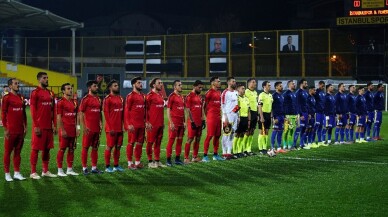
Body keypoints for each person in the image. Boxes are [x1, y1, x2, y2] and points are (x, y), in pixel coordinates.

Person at [29, 72, 57, 179]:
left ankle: (45, 171)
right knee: (35, 149)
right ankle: (33, 172)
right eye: (44, 78)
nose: (47, 79)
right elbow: (32, 110)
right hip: (39, 126)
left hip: (48, 127)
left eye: (47, 78)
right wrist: (36, 125)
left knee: (47, 149)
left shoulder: (51, 93)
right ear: (39, 80)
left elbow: (53, 110)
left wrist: (54, 124)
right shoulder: (35, 93)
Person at [2, 78, 27, 181]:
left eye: (18, 83)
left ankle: (16, 173)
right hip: (11, 130)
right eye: (16, 84)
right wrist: (5, 128)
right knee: (8, 152)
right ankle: (7, 174)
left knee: (17, 152)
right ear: (10, 86)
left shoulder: (21, 97)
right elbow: (3, 114)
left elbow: (24, 113)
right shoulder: (6, 98)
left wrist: (25, 126)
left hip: (20, 130)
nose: (18, 85)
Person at [79, 80, 104, 175]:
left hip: (96, 128)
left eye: (97, 86)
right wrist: (84, 126)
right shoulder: (85, 99)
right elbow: (81, 113)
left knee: (95, 148)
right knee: (85, 148)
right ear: (89, 88)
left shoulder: (98, 99)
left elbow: (99, 112)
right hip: (88, 129)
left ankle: (94, 168)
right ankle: (84, 168)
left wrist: (101, 122)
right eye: (95, 86)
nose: (97, 87)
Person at [56, 83, 80, 177]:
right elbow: (59, 117)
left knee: (71, 149)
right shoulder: (60, 102)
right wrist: (62, 130)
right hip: (65, 130)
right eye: (68, 89)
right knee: (62, 149)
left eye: (71, 88)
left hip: (73, 130)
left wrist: (78, 128)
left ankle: (69, 169)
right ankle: (59, 170)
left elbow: (77, 116)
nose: (70, 90)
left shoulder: (74, 102)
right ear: (63, 91)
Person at [103, 80, 124, 172]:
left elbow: (123, 113)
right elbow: (106, 114)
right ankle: (107, 167)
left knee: (118, 146)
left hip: (120, 127)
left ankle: (116, 165)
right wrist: (110, 127)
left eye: (117, 85)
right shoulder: (107, 99)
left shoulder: (120, 98)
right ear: (110, 88)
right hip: (111, 128)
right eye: (115, 86)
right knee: (109, 146)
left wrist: (124, 125)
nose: (117, 87)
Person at [125, 77, 146, 170]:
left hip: (141, 124)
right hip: (133, 125)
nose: (141, 84)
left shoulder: (142, 96)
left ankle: (137, 162)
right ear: (134, 84)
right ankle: (130, 163)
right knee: (131, 143)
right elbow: (126, 111)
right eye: (139, 83)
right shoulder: (130, 96)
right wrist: (128, 124)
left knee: (140, 143)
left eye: (141, 83)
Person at [145, 78, 167, 168]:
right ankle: (150, 162)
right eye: (159, 83)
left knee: (158, 143)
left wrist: (163, 122)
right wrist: (147, 122)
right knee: (150, 142)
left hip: (160, 124)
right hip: (152, 124)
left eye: (162, 83)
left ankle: (157, 161)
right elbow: (145, 110)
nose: (161, 84)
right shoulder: (149, 96)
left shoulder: (160, 95)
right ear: (153, 85)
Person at [203, 77, 224, 161]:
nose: (219, 82)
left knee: (218, 135)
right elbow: (204, 106)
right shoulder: (209, 93)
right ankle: (205, 156)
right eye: (218, 81)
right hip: (211, 117)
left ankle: (215, 155)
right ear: (212, 83)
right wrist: (206, 116)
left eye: (219, 81)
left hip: (218, 117)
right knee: (210, 135)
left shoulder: (219, 92)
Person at [184, 80, 205, 164]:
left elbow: (201, 109)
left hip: (199, 121)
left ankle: (194, 157)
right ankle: (186, 158)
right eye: (199, 87)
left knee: (198, 139)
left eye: (201, 88)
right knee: (190, 139)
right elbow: (188, 110)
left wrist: (203, 120)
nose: (200, 89)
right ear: (194, 86)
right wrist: (192, 121)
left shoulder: (199, 96)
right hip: (192, 122)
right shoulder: (189, 96)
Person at [166, 80, 186, 166]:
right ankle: (168, 160)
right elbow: (168, 110)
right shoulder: (172, 96)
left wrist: (184, 121)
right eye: (179, 85)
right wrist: (171, 122)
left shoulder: (181, 97)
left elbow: (183, 110)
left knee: (179, 141)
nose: (181, 86)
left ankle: (177, 159)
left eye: (181, 85)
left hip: (181, 123)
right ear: (175, 87)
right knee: (171, 141)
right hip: (174, 123)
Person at [221, 76, 238, 159]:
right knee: (226, 134)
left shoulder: (236, 92)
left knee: (232, 134)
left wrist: (238, 116)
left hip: (235, 116)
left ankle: (229, 152)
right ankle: (224, 153)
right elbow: (222, 105)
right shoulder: (225, 93)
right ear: (228, 82)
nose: (234, 82)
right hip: (227, 116)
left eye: (234, 81)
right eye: (233, 81)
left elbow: (237, 105)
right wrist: (225, 117)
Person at [233, 83, 250, 157]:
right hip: (239, 118)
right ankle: (234, 151)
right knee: (237, 134)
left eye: (244, 88)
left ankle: (240, 151)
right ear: (238, 89)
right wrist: (237, 117)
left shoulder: (246, 98)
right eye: (242, 88)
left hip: (245, 118)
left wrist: (249, 120)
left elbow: (249, 110)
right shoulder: (237, 98)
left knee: (242, 134)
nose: (244, 90)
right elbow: (235, 109)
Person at [258, 81, 273, 155]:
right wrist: (261, 116)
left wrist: (271, 116)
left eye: (270, 85)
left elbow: (271, 107)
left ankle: (264, 147)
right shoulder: (261, 95)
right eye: (268, 85)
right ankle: (260, 148)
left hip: (268, 115)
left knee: (266, 131)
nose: (270, 86)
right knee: (262, 131)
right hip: (263, 114)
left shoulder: (270, 95)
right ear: (264, 86)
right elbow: (259, 106)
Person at [294, 79, 310, 149]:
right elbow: (297, 104)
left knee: (304, 129)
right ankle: (294, 145)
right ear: (301, 84)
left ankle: (301, 144)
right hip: (301, 113)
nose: (307, 85)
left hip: (306, 113)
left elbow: (306, 104)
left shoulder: (306, 92)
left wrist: (308, 113)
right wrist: (300, 115)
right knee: (298, 128)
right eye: (305, 83)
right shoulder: (298, 92)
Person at [244, 78, 258, 155]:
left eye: (255, 82)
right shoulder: (246, 92)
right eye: (253, 82)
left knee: (252, 131)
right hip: (248, 113)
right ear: (249, 83)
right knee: (247, 131)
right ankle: (244, 149)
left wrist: (258, 114)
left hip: (255, 113)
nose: (255, 83)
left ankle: (248, 149)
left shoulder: (255, 93)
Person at [282, 80, 298, 150]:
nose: (294, 85)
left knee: (291, 131)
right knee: (286, 131)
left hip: (293, 115)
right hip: (287, 116)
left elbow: (295, 105)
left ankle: (290, 146)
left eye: (294, 84)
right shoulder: (286, 94)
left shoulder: (294, 94)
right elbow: (283, 105)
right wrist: (285, 116)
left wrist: (297, 115)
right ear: (289, 85)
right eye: (292, 84)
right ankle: (285, 146)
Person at [271, 81, 285, 153]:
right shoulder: (274, 96)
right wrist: (274, 117)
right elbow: (272, 107)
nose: (282, 87)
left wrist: (284, 116)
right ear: (276, 87)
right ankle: (272, 147)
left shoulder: (282, 96)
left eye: (282, 86)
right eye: (280, 86)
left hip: (282, 116)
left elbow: (283, 107)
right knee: (275, 131)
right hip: (276, 116)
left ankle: (279, 147)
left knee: (280, 132)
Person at [314, 81, 326, 146]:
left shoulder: (323, 93)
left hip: (322, 112)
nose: (323, 87)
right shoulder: (316, 92)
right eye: (322, 85)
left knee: (321, 127)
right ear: (319, 85)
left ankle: (319, 141)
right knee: (316, 127)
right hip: (317, 112)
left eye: (323, 85)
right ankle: (312, 141)